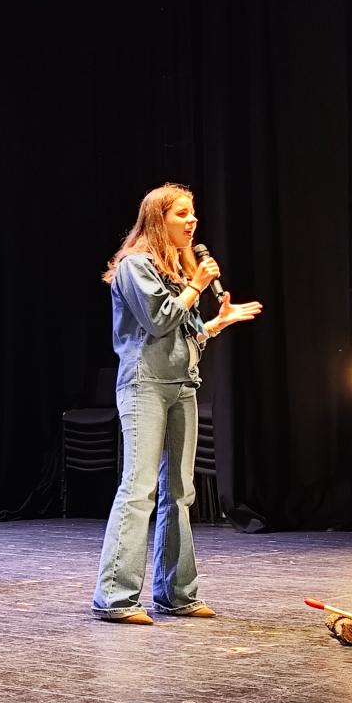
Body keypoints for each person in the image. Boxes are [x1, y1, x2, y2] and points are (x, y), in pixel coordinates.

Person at [92, 183, 262, 624]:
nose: (192, 221)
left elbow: (182, 333)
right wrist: (198, 285)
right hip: (144, 384)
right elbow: (158, 319)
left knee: (180, 493)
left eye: (193, 214)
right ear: (158, 220)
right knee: (139, 487)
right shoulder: (134, 266)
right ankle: (114, 597)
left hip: (181, 384)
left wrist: (215, 324)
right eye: (182, 214)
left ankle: (176, 594)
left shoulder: (174, 272)